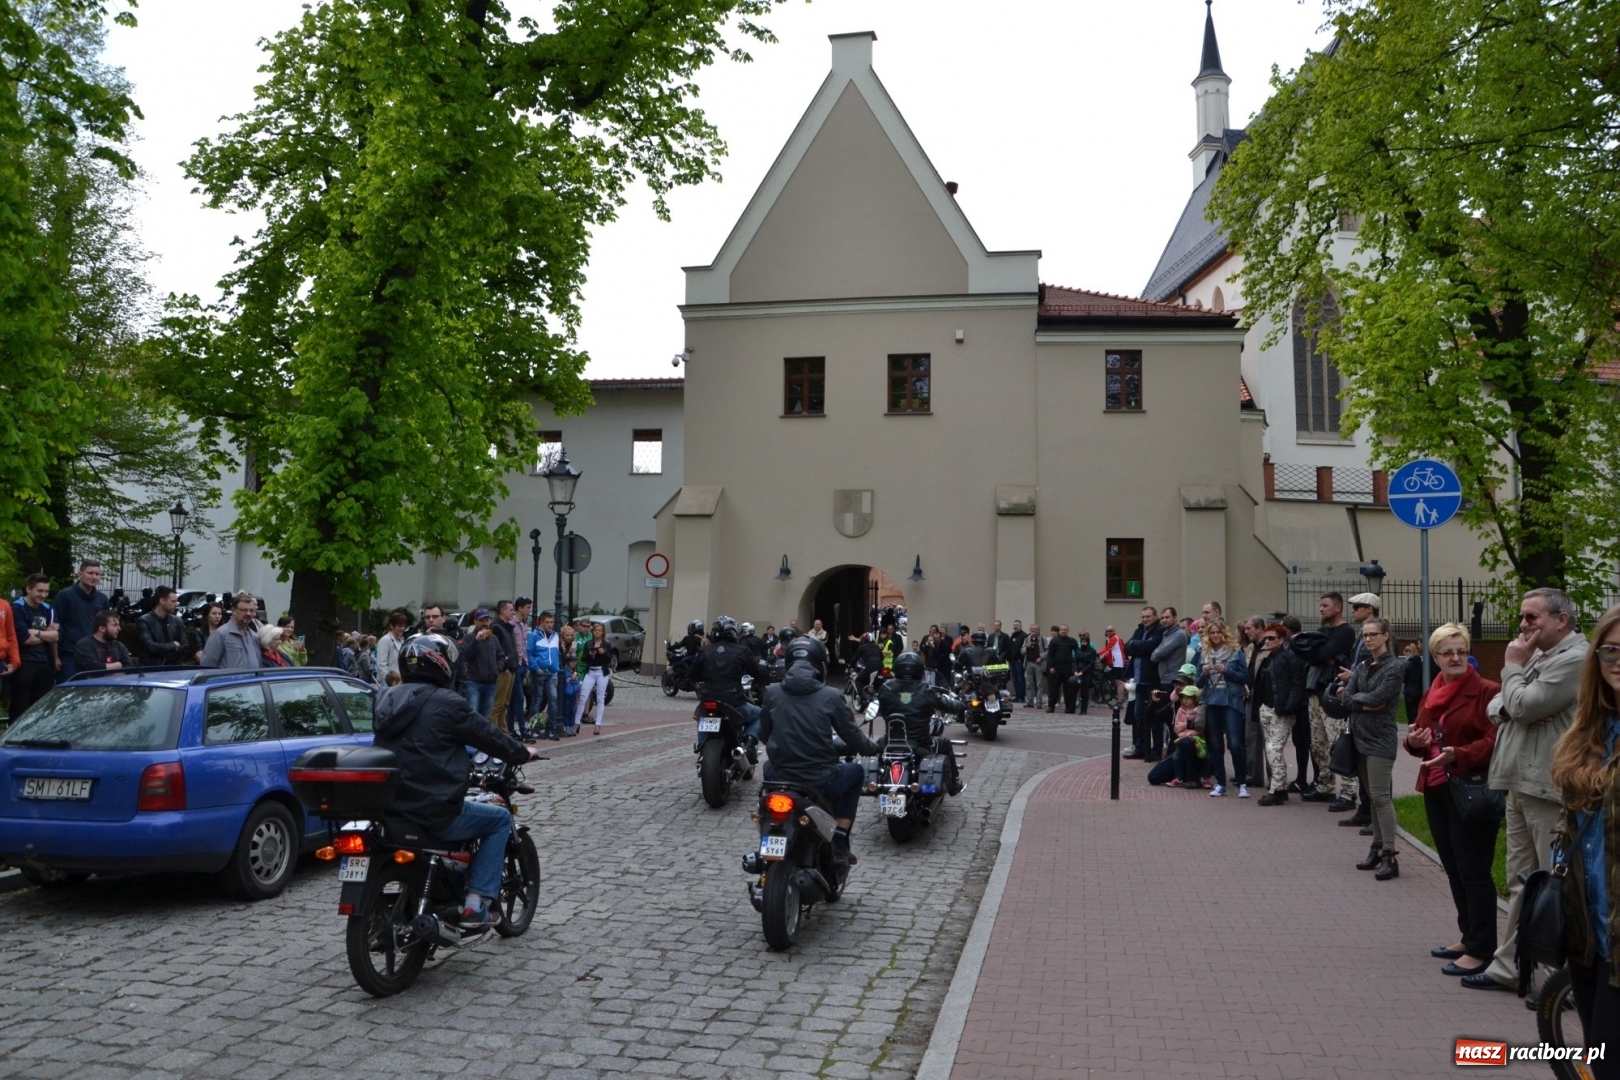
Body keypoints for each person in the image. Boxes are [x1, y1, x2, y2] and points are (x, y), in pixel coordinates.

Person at [1464, 587, 1589, 995]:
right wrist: (1517, 702)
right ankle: (1509, 966)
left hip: (1547, 786)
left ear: (1561, 621)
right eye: (1522, 617)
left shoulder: (1574, 659)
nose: (1523, 626)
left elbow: (1519, 706)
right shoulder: (1540, 656)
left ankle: (1564, 982)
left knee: (1558, 885)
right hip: (1520, 781)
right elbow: (1501, 707)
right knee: (1522, 881)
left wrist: (1513, 678)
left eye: (1532, 618)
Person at [375, 634, 534, 929]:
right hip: (433, 808)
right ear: (442, 665)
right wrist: (522, 753)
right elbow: (488, 735)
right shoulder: (448, 702)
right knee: (499, 820)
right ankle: (475, 906)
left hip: (392, 808)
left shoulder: (386, 697)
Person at [1402, 623, 1501, 977]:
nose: (1456, 657)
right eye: (1447, 652)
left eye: (1461, 650)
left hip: (1473, 790)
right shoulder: (1434, 692)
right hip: (1438, 787)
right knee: (1454, 868)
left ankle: (1482, 949)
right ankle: (1468, 935)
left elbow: (1496, 741)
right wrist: (1414, 741)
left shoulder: (1489, 692)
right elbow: (1419, 737)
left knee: (1474, 871)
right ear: (1435, 658)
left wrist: (1457, 754)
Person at [1549, 602, 1620, 1051]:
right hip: (1588, 937)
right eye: (1611, 652)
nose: (1619, 663)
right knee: (1598, 1054)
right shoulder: (1591, 731)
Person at [758, 634, 880, 867]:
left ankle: (770, 834)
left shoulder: (773, 692)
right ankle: (840, 839)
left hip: (780, 776)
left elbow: (764, 733)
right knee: (855, 772)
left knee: (767, 768)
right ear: (820, 666)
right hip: (821, 779)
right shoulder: (831, 696)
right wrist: (873, 748)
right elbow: (852, 737)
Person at [1324, 617, 1403, 878]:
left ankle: (1390, 855)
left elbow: (1380, 699)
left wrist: (1359, 699)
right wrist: (1362, 702)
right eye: (1365, 635)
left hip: (1380, 739)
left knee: (1381, 797)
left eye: (1373, 634)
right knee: (1370, 798)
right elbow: (1347, 698)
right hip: (1358, 737)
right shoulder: (1364, 664)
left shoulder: (1394, 667)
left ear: (1385, 636)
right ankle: (1377, 847)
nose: (1368, 639)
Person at [876, 651, 966, 795]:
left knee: (876, 745)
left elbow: (875, 704)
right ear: (919, 669)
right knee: (945, 744)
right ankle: (954, 784)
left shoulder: (885, 689)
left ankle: (882, 777)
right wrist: (961, 705)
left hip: (890, 743)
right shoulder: (926, 690)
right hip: (921, 745)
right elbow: (947, 705)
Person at [1300, 592, 1357, 808]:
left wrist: (1320, 654)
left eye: (1325, 605)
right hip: (1315, 691)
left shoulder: (1345, 632)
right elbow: (1308, 652)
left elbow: (1321, 654)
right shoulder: (1323, 630)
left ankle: (1349, 792)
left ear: (1338, 608)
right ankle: (1325, 785)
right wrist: (1319, 654)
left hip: (1333, 693)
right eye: (1320, 605)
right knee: (1317, 743)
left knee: (1336, 742)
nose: (1321, 609)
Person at [690, 615, 767, 758]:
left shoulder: (704, 651)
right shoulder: (742, 651)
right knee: (760, 714)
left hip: (708, 701)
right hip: (734, 701)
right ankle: (750, 741)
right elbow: (757, 672)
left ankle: (702, 749)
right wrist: (765, 676)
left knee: (703, 717)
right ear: (734, 632)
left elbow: (692, 675)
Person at [1195, 618, 1249, 797]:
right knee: (1216, 744)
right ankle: (1220, 783)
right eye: (1212, 633)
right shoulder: (1204, 653)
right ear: (1208, 636)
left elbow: (1245, 677)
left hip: (1231, 701)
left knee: (1234, 744)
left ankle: (1242, 782)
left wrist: (1227, 670)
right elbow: (1198, 682)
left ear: (1224, 633)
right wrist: (1203, 673)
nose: (1216, 635)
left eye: (1219, 632)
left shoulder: (1235, 652)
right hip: (1212, 701)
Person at [1255, 624, 1306, 805]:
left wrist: (1288, 707)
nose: (1267, 641)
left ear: (1282, 640)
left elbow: (1297, 683)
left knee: (1273, 748)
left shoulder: (1289, 657)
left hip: (1280, 710)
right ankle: (1279, 787)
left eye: (1271, 638)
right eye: (1266, 638)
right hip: (1268, 708)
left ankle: (1276, 789)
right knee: (1271, 748)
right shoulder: (1269, 658)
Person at [10, 575, 58, 718]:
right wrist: (45, 634)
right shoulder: (17, 608)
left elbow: (56, 636)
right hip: (24, 664)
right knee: (20, 706)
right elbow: (23, 639)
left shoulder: (48, 609)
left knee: (40, 709)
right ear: (28, 589)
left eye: (46, 592)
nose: (43, 595)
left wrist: (35, 632)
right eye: (40, 591)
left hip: (45, 664)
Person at [53, 560, 109, 684]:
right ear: (80, 574)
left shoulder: (102, 599)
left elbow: (106, 628)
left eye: (97, 574)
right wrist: (56, 657)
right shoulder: (64, 596)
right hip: (69, 656)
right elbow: (56, 627)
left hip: (95, 656)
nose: (94, 577)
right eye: (90, 573)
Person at [1147, 681, 1206, 788]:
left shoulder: (1201, 707)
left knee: (1187, 742)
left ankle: (1193, 778)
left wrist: (1186, 725)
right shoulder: (1174, 706)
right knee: (1153, 777)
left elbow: (1203, 726)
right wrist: (1154, 703)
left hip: (1197, 749)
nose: (1178, 687)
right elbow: (1153, 718)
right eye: (1176, 684)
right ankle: (1181, 775)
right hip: (1177, 750)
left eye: (1182, 684)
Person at [1124, 606, 1163, 756]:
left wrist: (1136, 645)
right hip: (1139, 680)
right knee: (1139, 716)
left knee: (1155, 717)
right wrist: (1137, 646)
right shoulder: (1140, 630)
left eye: (1148, 616)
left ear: (1155, 617)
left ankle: (1156, 749)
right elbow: (1127, 647)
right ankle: (1140, 747)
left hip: (1153, 679)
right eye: (1143, 617)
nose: (1145, 619)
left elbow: (1152, 645)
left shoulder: (1159, 630)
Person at [200, 592, 264, 669]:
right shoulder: (220, 634)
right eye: (244, 610)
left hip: (252, 681)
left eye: (251, 610)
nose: (248, 613)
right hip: (229, 680)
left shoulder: (254, 637)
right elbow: (207, 666)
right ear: (233, 610)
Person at [459, 609, 503, 719]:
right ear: (475, 622)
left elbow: (501, 655)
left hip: (491, 683)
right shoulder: (468, 638)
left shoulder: (493, 638)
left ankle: (483, 736)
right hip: (474, 683)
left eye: (487, 620)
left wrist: (497, 669)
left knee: (486, 716)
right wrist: (476, 641)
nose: (484, 623)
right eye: (481, 620)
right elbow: (465, 656)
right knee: (473, 714)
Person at [575, 620, 617, 734]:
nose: (597, 633)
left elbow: (609, 661)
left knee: (600, 698)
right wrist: (589, 654)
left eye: (600, 631)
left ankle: (598, 724)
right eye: (596, 631)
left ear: (602, 633)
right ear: (593, 632)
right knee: (583, 696)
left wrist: (604, 653)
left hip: (601, 672)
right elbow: (583, 658)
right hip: (590, 672)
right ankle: (576, 722)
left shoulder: (606, 644)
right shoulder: (588, 643)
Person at [527, 611, 562, 741]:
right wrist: (536, 668)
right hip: (540, 672)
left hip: (552, 672)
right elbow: (529, 653)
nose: (550, 625)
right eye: (547, 622)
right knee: (538, 699)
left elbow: (556, 653)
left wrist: (556, 668)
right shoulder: (534, 635)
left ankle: (551, 729)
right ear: (541, 622)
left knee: (553, 700)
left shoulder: (555, 636)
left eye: (551, 622)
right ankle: (534, 729)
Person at [137, 586, 191, 666]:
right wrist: (173, 645)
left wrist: (163, 652)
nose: (176, 604)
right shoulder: (144, 620)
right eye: (173, 601)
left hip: (175, 667)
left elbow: (185, 647)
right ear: (162, 601)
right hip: (153, 668)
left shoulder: (177, 621)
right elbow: (150, 646)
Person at [1046, 624, 1079, 714]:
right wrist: (1051, 666)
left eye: (1065, 630)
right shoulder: (1054, 641)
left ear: (1068, 631)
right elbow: (1050, 655)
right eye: (1062, 630)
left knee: (1068, 689)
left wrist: (1075, 666)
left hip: (1067, 668)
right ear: (1059, 631)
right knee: (1053, 689)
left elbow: (1078, 653)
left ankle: (1069, 708)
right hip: (1056, 668)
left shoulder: (1072, 641)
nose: (1063, 631)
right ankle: (1051, 707)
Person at [376, 611, 409, 683]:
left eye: (403, 626)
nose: (402, 628)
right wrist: (390, 682)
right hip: (388, 684)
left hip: (399, 682)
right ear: (391, 626)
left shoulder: (402, 640)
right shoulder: (385, 640)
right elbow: (381, 665)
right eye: (399, 626)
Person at [1072, 631, 1099, 714]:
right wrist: (1075, 670)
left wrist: (1082, 672)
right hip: (1078, 671)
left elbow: (1091, 663)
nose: (1083, 643)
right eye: (1082, 641)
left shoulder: (1092, 651)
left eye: (1085, 642)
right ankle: (1072, 708)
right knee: (1073, 689)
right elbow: (1075, 661)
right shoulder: (1078, 650)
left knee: (1085, 691)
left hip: (1087, 673)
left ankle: (1083, 709)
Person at [1022, 625, 1045, 709]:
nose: (1033, 630)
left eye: (1035, 629)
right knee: (1028, 684)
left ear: (1038, 630)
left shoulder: (1042, 639)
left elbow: (1048, 650)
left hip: (1038, 663)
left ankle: (1039, 702)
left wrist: (1041, 657)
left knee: (1039, 684)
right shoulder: (1027, 639)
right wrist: (1026, 647)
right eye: (1031, 629)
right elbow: (1022, 651)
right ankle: (1029, 702)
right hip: (1028, 663)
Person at [1008, 620, 1029, 702]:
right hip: (1012, 661)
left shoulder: (1024, 636)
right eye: (1014, 625)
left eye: (1017, 625)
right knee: (1015, 679)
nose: (1015, 626)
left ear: (1021, 626)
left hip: (1019, 661)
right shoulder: (1012, 635)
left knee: (1020, 679)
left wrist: (1020, 659)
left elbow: (1024, 649)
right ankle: (1017, 696)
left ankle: (1021, 696)